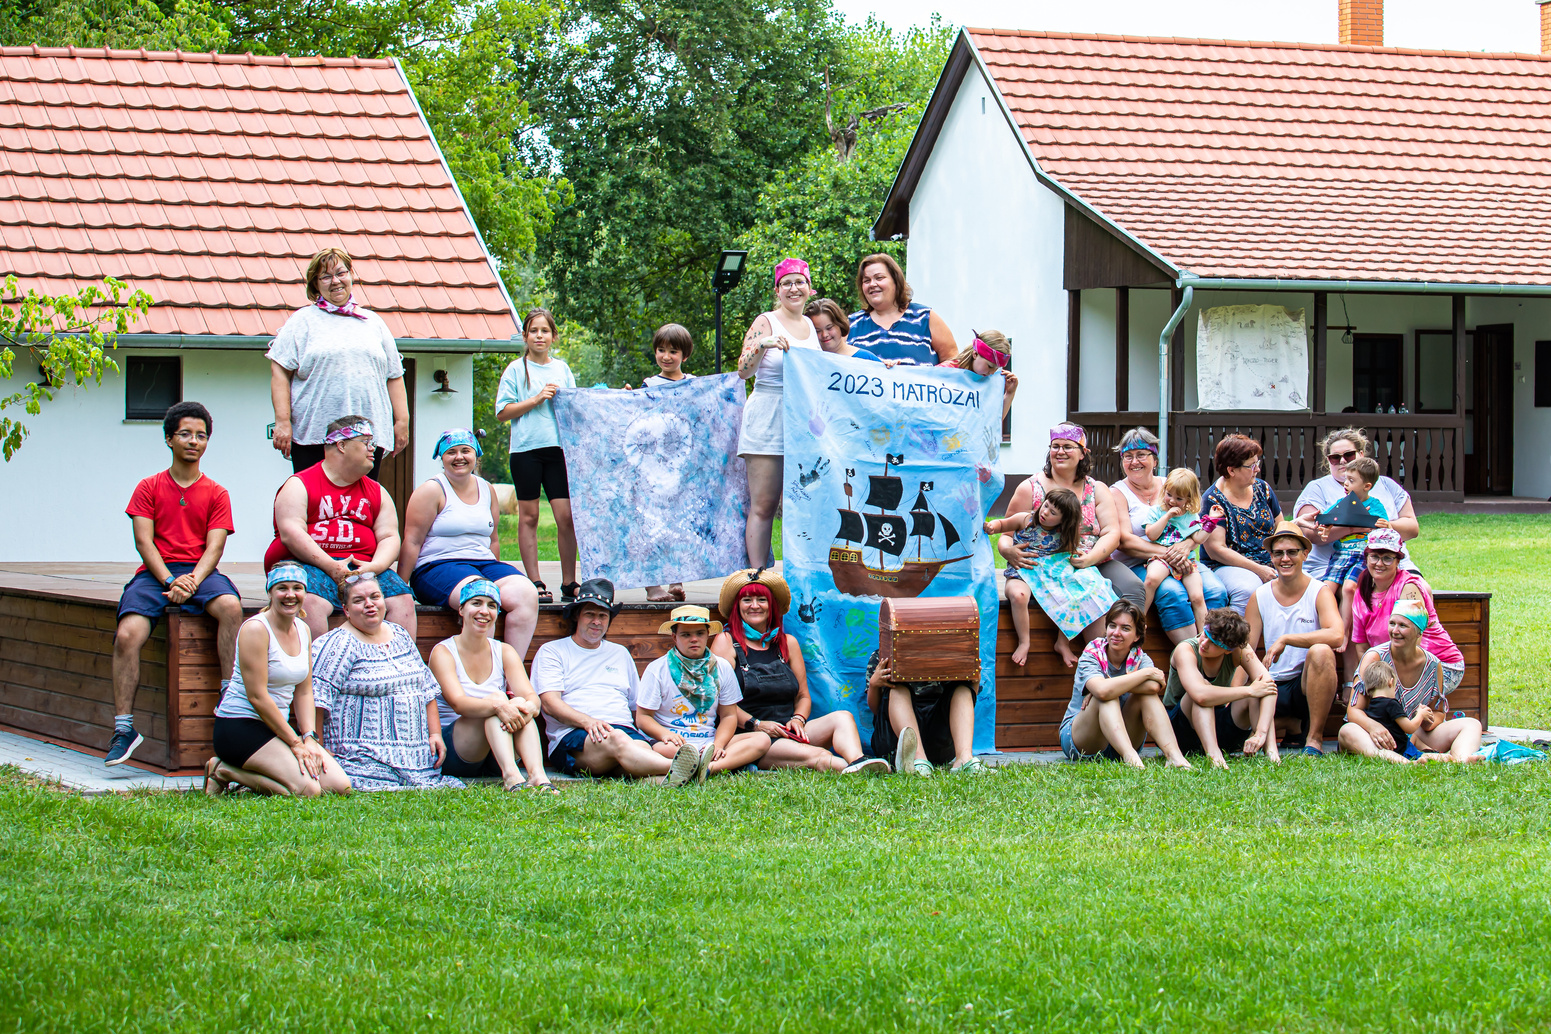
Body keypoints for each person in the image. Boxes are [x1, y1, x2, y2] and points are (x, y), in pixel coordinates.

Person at [109, 402, 243, 766]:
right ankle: (124, 729)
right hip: (156, 574)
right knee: (126, 636)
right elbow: (143, 542)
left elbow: (216, 545)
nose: (193, 441)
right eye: (185, 434)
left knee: (231, 607)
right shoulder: (149, 486)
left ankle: (230, 700)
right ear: (169, 439)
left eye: (201, 436)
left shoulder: (217, 492)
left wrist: (193, 581)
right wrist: (170, 580)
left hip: (200, 571)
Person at [709, 569, 889, 774]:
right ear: (737, 606)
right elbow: (720, 703)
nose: (755, 606)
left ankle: (858, 759)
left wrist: (798, 719)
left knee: (843, 717)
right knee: (821, 757)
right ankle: (860, 771)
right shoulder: (726, 642)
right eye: (747, 600)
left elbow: (803, 695)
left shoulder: (788, 643)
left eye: (761, 599)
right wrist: (757, 724)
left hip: (788, 730)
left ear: (772, 606)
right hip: (752, 738)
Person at [532, 579, 700, 785]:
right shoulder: (553, 651)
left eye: (603, 616)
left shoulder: (620, 653)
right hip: (574, 735)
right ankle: (692, 767)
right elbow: (549, 703)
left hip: (624, 731)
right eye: (590, 615)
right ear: (577, 616)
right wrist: (588, 721)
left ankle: (661, 777)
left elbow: (636, 706)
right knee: (618, 740)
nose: (597, 621)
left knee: (640, 752)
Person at [264, 415, 417, 641]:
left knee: (402, 599)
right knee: (310, 601)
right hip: (309, 563)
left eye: (372, 443)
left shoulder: (377, 491)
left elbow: (389, 536)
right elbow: (291, 533)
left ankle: (400, 671)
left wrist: (374, 566)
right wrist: (332, 567)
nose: (372, 449)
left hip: (364, 567)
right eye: (366, 442)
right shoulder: (299, 484)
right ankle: (318, 674)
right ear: (341, 445)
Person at [206, 563, 351, 796]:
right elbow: (257, 696)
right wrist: (295, 744)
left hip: (277, 728)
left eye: (297, 588)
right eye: (282, 588)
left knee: (339, 786)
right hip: (240, 726)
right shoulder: (255, 629)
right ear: (270, 592)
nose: (290, 595)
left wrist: (309, 738)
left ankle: (250, 771)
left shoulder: (303, 629)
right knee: (308, 791)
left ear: (305, 592)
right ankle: (222, 770)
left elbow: (304, 691)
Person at [309, 572, 463, 790]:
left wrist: (436, 734)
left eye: (375, 597)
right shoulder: (337, 644)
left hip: (417, 760)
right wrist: (319, 748)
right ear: (345, 610)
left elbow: (426, 690)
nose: (369, 605)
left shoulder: (400, 634)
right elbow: (317, 699)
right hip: (361, 760)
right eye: (358, 600)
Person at [267, 247, 408, 476]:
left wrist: (402, 421)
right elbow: (280, 371)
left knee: (361, 506)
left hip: (368, 438)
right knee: (315, 505)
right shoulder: (302, 321)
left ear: (351, 275)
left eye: (341, 273)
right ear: (315, 285)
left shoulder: (374, 323)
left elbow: (394, 375)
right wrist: (282, 422)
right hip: (314, 437)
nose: (335, 281)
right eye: (325, 276)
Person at [399, 428, 539, 657]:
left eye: (466, 450)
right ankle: (480, 678)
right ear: (441, 457)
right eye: (451, 452)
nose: (459, 457)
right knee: (481, 596)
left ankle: (511, 676)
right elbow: (412, 542)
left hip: (482, 564)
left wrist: (496, 572)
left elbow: (492, 540)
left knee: (526, 593)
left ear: (476, 455)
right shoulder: (432, 490)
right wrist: (402, 587)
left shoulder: (487, 489)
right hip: (437, 566)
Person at [998, 422, 1146, 631]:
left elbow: (1112, 533)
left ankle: (1130, 649)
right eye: (1055, 446)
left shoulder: (1097, 489)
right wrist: (1008, 550)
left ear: (1082, 453)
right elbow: (1006, 532)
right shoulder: (1030, 488)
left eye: (1068, 446)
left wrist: (1090, 559)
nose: (1060, 452)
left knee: (1133, 588)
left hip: (1094, 560)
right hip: (1047, 567)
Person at [429, 580, 556, 793]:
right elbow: (459, 704)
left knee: (516, 701)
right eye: (476, 603)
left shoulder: (504, 651)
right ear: (461, 609)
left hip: (499, 747)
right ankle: (512, 778)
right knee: (496, 702)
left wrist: (527, 707)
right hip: (460, 750)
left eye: (491, 605)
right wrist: (498, 706)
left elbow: (532, 698)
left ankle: (538, 777)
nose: (484, 611)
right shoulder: (444, 652)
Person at [1108, 427, 1231, 645]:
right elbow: (1125, 541)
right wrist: (1170, 553)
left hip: (1181, 556)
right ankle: (1192, 653)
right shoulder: (1117, 492)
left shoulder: (1173, 484)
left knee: (1215, 590)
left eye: (1141, 455)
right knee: (1172, 594)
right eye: (1128, 456)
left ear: (1154, 460)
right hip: (1138, 561)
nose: (1134, 461)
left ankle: (1215, 649)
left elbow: (1193, 526)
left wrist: (1185, 548)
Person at [736, 257, 821, 568]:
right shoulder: (765, 321)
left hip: (803, 421)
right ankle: (756, 578)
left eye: (800, 282)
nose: (794, 288)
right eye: (787, 283)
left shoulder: (810, 325)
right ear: (778, 290)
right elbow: (743, 371)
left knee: (804, 503)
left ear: (809, 289)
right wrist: (763, 345)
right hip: (768, 417)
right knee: (765, 504)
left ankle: (800, 571)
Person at [495, 308, 579, 605]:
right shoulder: (516, 370)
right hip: (526, 451)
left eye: (545, 331)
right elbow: (503, 412)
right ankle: (535, 582)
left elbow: (577, 406)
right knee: (528, 517)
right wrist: (536, 398)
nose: (539, 336)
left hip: (558, 452)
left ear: (553, 336)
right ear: (525, 336)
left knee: (565, 517)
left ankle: (570, 583)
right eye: (533, 331)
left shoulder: (563, 369)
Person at [637, 606, 773, 782]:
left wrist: (718, 744)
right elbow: (643, 718)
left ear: (707, 634)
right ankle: (723, 765)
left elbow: (729, 716)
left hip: (709, 740)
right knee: (662, 750)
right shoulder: (657, 669)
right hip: (674, 742)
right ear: (674, 637)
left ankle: (707, 769)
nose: (694, 639)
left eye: (700, 633)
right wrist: (665, 735)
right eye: (686, 635)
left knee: (761, 739)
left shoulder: (722, 667)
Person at [985, 487, 1117, 668]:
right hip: (1023, 569)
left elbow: (1069, 552)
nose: (1045, 513)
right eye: (1046, 506)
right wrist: (993, 526)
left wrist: (1077, 557)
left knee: (1075, 593)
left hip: (1049, 574)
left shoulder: (1064, 532)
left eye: (1053, 513)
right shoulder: (1026, 519)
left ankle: (1063, 642)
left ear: (1064, 520)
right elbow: (1003, 524)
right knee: (1018, 596)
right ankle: (1024, 642)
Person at [1338, 600, 1483, 763]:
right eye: (1392, 623)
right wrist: (1374, 727)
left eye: (1403, 626)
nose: (1395, 630)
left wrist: (1424, 719)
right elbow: (1354, 711)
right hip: (1375, 733)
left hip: (1412, 733)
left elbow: (1439, 712)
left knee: (1472, 724)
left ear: (1419, 632)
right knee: (1347, 731)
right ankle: (1397, 760)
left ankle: (1461, 759)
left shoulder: (1434, 665)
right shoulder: (1375, 657)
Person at [1243, 521, 1344, 756]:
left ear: (1305, 554)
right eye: (1278, 553)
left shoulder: (1319, 591)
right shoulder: (1260, 595)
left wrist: (1288, 639)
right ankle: (1291, 727)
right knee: (1237, 732)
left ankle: (1314, 739)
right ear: (1271, 557)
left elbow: (1337, 635)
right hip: (1271, 685)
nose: (1285, 559)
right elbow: (1244, 649)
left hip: (1305, 686)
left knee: (1321, 651)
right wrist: (1233, 692)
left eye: (1292, 552)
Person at [1059, 601, 1191, 770]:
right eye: (1112, 626)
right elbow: (1103, 691)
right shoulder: (1091, 653)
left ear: (1137, 635)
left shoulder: (1140, 658)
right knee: (1105, 697)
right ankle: (1131, 759)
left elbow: (1153, 688)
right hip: (1082, 741)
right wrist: (1144, 674)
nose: (1116, 633)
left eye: (1125, 628)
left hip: (1123, 738)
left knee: (1138, 695)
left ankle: (1174, 757)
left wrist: (1110, 684)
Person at [1293, 426, 1421, 579]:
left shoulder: (1387, 485)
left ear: (1361, 455)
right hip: (1332, 565)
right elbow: (1311, 533)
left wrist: (1384, 526)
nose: (1342, 461)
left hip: (1390, 564)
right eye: (1335, 457)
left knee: (1420, 590)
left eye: (1349, 455)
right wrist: (1355, 527)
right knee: (1354, 589)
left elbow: (1412, 528)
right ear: (1328, 461)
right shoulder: (1317, 488)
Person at [1163, 607, 1280, 769]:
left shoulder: (1238, 650)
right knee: (1204, 688)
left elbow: (1269, 685)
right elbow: (1200, 695)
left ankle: (1271, 753)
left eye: (1213, 643)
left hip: (1217, 725)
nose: (1204, 643)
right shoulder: (1186, 649)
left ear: (1227, 650)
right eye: (1205, 634)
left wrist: (1261, 732)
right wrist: (1249, 690)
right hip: (1180, 730)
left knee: (1261, 689)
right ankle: (1215, 757)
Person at [1348, 528, 1464, 689]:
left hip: (1438, 664)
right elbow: (1362, 647)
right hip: (1392, 667)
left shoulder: (1408, 588)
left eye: (1387, 558)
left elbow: (1413, 641)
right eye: (1374, 557)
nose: (1379, 563)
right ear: (1366, 558)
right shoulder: (1361, 592)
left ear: (1398, 561)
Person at [865, 650, 986, 777]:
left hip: (938, 742)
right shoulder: (882, 655)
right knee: (897, 690)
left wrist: (974, 681)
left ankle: (964, 759)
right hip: (895, 741)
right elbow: (876, 709)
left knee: (962, 689)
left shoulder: (949, 650)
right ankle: (918, 759)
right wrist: (874, 684)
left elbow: (965, 703)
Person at [640, 324, 694, 602]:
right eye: (661, 350)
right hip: (655, 467)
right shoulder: (649, 385)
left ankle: (676, 581)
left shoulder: (695, 384)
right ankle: (652, 586)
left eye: (673, 351)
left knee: (680, 524)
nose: (666, 356)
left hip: (683, 467)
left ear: (685, 355)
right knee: (654, 524)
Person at [1201, 433, 1284, 614]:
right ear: (1231, 470)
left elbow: (1280, 527)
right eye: (1251, 465)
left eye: (1257, 463)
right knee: (1248, 589)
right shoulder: (1213, 500)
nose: (1257, 469)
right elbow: (1216, 549)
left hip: (1269, 561)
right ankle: (1232, 639)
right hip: (1229, 566)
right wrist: (1259, 570)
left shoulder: (1263, 489)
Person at [845, 253, 956, 365]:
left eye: (879, 278)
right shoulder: (851, 325)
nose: (872, 284)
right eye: (866, 281)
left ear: (896, 281)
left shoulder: (925, 318)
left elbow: (954, 360)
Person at [1138, 468, 1211, 634]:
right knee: (1151, 579)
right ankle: (1139, 620)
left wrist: (1211, 522)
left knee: (1198, 597)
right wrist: (1167, 517)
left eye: (1179, 498)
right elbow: (1151, 534)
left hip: (1186, 561)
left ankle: (1205, 634)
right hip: (1162, 558)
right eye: (1169, 494)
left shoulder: (1191, 516)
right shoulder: (1157, 511)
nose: (1172, 501)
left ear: (1189, 499)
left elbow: (1198, 539)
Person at [1344, 657, 1422, 763]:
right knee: (1422, 753)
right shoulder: (1392, 704)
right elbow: (1409, 728)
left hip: (1384, 748)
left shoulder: (1370, 707)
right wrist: (1421, 714)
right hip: (1402, 749)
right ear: (1391, 682)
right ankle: (1438, 756)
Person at [940, 330, 1019, 419]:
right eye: (990, 366)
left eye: (996, 368)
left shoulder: (986, 381)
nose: (992, 372)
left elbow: (992, 422)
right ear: (975, 354)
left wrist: (1009, 393)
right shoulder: (944, 373)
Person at [806, 298, 884, 363]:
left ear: (840, 325)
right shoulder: (810, 361)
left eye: (829, 328)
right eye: (817, 331)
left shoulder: (866, 358)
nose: (824, 335)